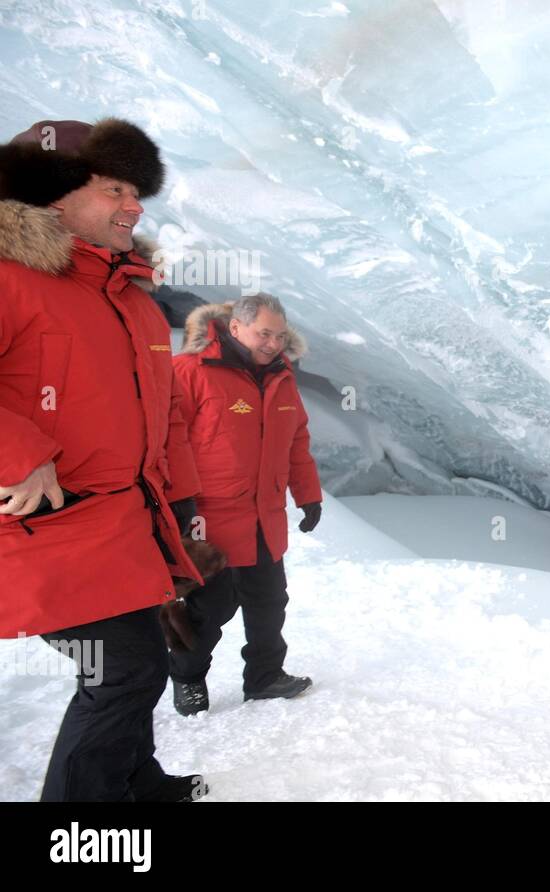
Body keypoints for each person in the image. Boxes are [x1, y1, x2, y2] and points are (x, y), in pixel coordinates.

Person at [0, 118, 211, 801]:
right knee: (120, 671)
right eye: (115, 188)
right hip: (44, 529)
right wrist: (20, 453)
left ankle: (132, 779)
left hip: (124, 525)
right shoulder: (10, 278)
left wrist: (182, 501)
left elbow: (165, 414)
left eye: (138, 191)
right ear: (53, 193)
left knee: (139, 660)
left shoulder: (131, 300)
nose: (135, 206)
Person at [168, 294, 323, 715]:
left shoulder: (282, 378)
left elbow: (296, 442)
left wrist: (308, 495)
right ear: (236, 328)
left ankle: (265, 676)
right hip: (208, 518)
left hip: (264, 515)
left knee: (270, 601)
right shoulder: (191, 371)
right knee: (210, 608)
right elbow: (165, 439)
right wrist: (172, 503)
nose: (272, 343)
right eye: (263, 333)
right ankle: (187, 679)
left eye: (279, 335)